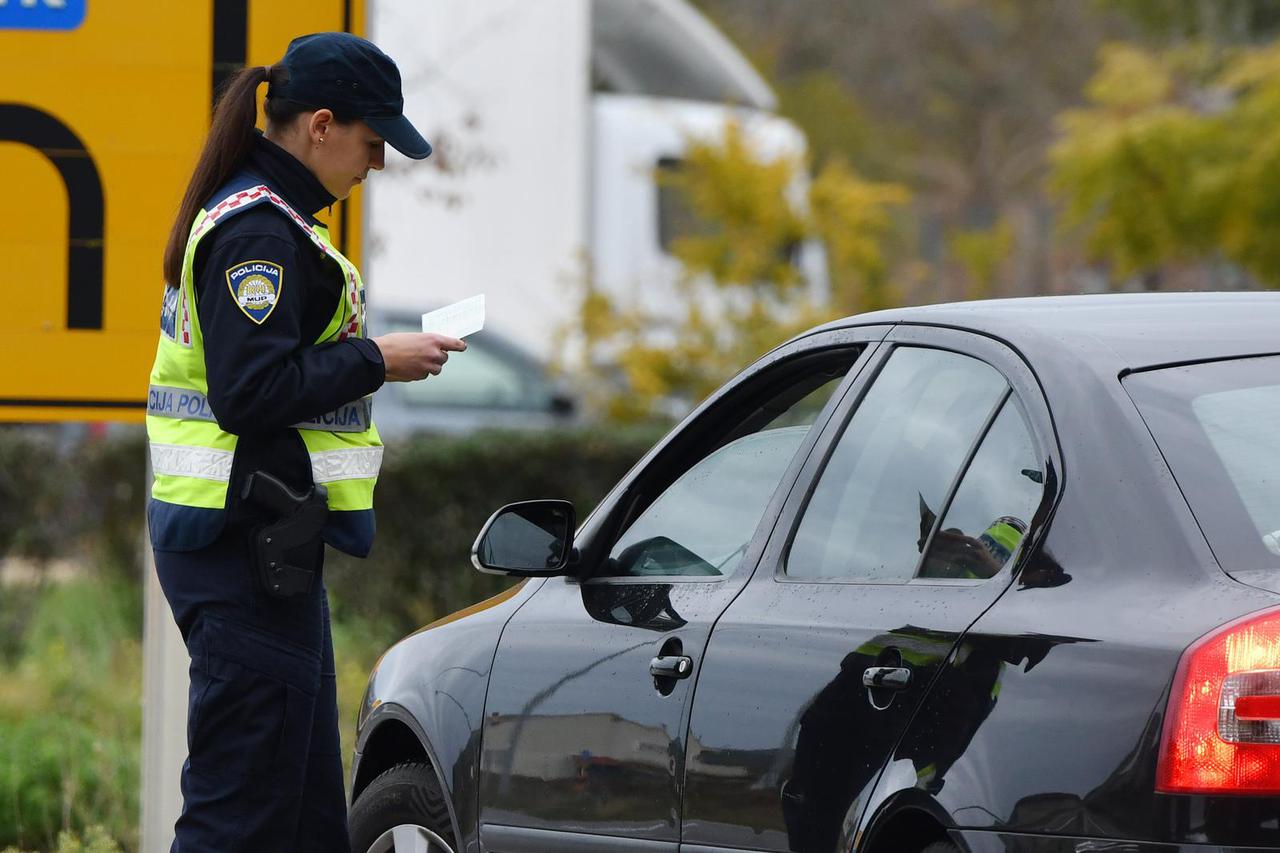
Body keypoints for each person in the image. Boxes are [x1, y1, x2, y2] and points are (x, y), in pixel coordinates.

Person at [144, 32, 464, 851]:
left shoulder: (275, 219)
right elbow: (249, 391)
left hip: (266, 551)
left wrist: (365, 357)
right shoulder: (259, 233)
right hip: (243, 550)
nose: (378, 164)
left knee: (305, 817)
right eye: (371, 142)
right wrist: (375, 359)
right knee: (240, 817)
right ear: (320, 125)